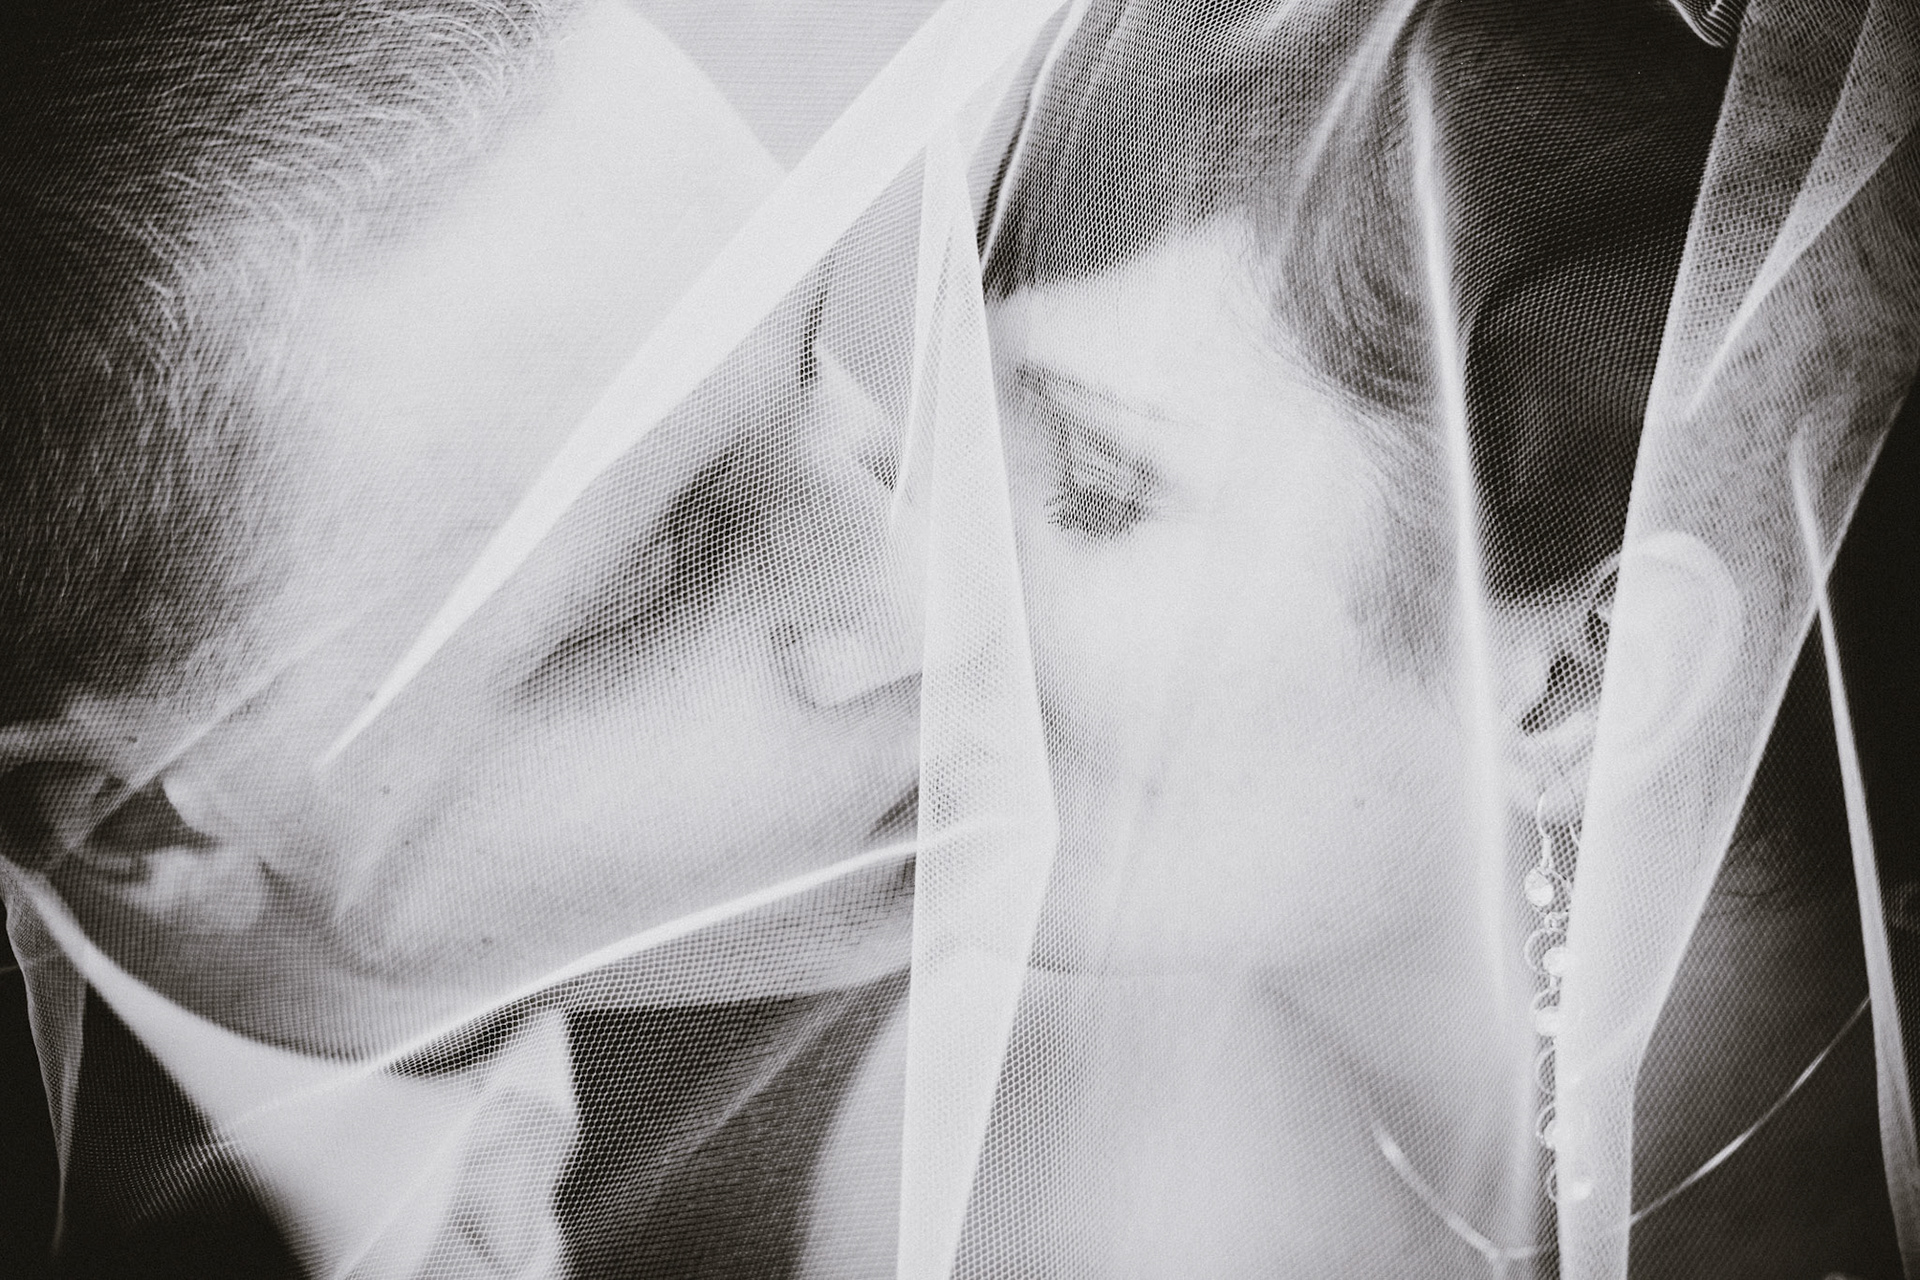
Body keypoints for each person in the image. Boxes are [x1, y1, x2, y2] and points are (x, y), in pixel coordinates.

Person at [958, 0, 1908, 1274]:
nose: (919, 592)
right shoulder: (1014, 1154)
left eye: (1097, 486)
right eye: (952, 424)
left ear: (1580, 678)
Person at [0, 1, 931, 1274]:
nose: (931, 587)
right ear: (136, 825)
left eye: (812, 353)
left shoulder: (985, 1032)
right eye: (651, 579)